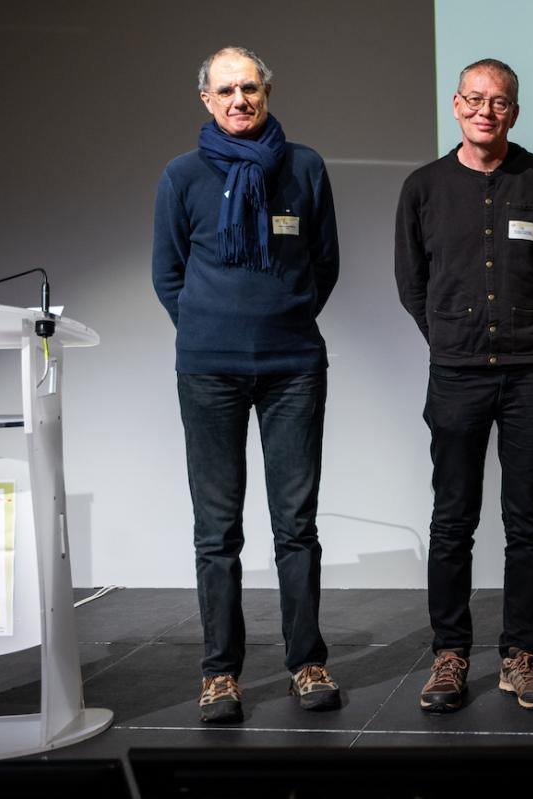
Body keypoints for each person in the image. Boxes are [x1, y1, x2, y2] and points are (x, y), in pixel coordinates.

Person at [152, 46, 341, 724]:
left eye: (251, 88)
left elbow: (324, 264)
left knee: (296, 524)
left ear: (268, 92)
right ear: (206, 99)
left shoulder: (305, 166)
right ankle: (220, 672)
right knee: (217, 529)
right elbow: (166, 273)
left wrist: (281, 319)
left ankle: (307, 660)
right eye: (227, 89)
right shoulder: (181, 176)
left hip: (293, 367)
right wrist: (208, 328)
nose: (240, 99)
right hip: (208, 371)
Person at [395, 58, 533, 713]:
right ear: (455, 105)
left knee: (527, 520)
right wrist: (450, 338)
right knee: (453, 520)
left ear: (514, 112)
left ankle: (520, 655)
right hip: (456, 377)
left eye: (498, 102)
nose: (485, 110)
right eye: (474, 99)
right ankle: (449, 655)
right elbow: (411, 282)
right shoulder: (423, 187)